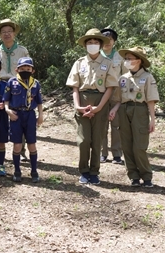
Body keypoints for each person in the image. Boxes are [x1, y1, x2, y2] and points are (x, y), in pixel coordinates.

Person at [66, 29, 119, 185]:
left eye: (96, 42)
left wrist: (99, 107)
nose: (93, 45)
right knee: (83, 140)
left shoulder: (108, 64)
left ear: (101, 45)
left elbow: (110, 88)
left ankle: (94, 171)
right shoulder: (79, 62)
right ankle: (84, 171)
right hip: (82, 100)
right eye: (90, 42)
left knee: (97, 140)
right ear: (85, 45)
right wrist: (78, 106)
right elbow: (75, 87)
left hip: (100, 101)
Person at [109, 47, 159, 187]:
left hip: (140, 110)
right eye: (126, 59)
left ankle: (146, 176)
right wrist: (114, 109)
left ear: (139, 61)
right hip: (124, 110)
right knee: (127, 145)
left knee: (139, 146)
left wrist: (152, 119)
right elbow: (119, 99)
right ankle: (134, 176)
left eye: (130, 59)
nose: (127, 61)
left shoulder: (147, 77)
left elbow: (151, 100)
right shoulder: (123, 78)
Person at [0, 19, 30, 161]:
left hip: (18, 86)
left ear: (14, 33)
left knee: (20, 117)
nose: (7, 34)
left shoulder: (22, 50)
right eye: (4, 32)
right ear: (0, 34)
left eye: (9, 31)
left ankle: (21, 150)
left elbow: (28, 70)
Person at [4, 57, 44, 182]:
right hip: (16, 115)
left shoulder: (36, 83)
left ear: (33, 70)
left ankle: (34, 171)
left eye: (28, 68)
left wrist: (41, 115)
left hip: (30, 115)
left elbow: (39, 101)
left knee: (32, 144)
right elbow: (6, 99)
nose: (25, 70)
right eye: (22, 68)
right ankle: (17, 170)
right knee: (17, 144)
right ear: (17, 69)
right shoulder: (12, 82)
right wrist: (8, 111)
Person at [99, 28, 126, 165]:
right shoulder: (97, 56)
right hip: (101, 95)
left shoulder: (120, 57)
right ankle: (103, 153)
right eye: (105, 39)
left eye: (110, 39)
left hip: (116, 96)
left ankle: (117, 154)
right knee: (102, 125)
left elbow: (126, 77)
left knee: (116, 126)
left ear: (114, 41)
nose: (108, 42)